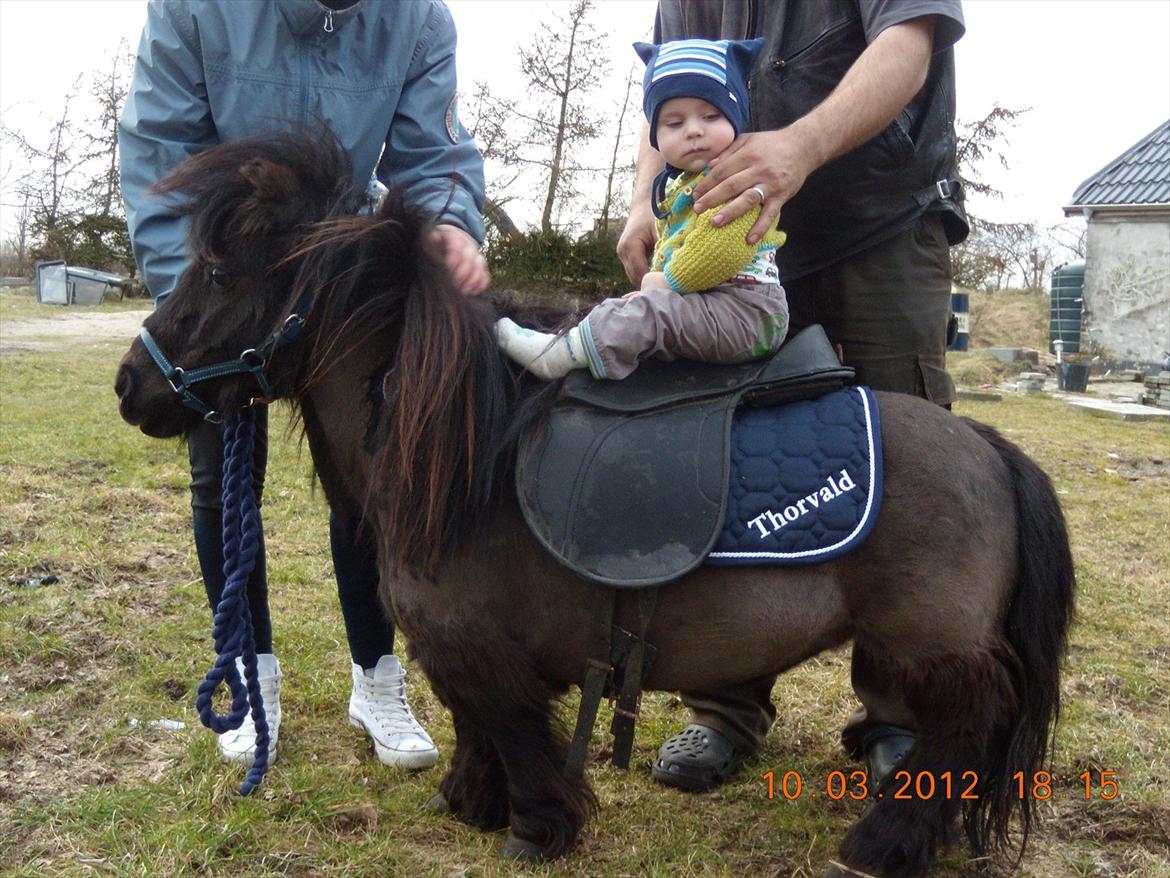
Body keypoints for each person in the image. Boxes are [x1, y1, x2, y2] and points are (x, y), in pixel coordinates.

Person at [120, 0, 489, 770]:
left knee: (368, 481)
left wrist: (451, 223)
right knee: (221, 482)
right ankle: (249, 675)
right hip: (224, 280)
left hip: (337, 288)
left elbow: (433, 160)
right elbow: (159, 154)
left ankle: (377, 677)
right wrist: (205, 303)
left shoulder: (417, 20)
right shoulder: (191, 9)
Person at [616, 1, 969, 793]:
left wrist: (801, 147)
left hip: (886, 219)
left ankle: (901, 716)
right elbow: (666, 91)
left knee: (903, 456)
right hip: (732, 234)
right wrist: (645, 197)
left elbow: (909, 43)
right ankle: (724, 707)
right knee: (727, 449)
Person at [495, 37, 787, 382]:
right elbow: (672, 248)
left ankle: (561, 355)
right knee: (632, 308)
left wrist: (664, 282)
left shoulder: (736, 179)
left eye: (711, 115)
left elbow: (718, 251)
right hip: (716, 304)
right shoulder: (680, 187)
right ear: (655, 136)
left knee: (648, 314)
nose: (694, 130)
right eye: (674, 124)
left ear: (736, 118)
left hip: (747, 314)